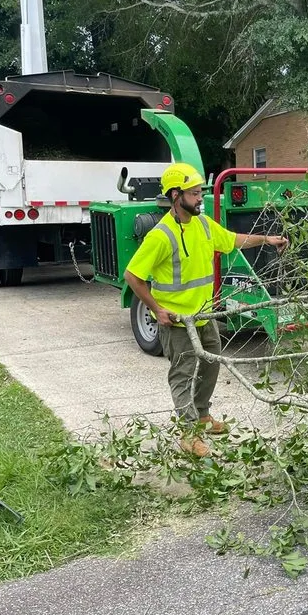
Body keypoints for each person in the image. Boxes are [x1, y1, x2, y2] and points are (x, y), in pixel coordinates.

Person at [124, 163, 289, 457]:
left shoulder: (201, 224)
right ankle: (188, 434)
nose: (201, 197)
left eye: (200, 192)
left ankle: (201, 416)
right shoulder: (161, 236)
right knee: (183, 375)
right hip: (177, 322)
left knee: (211, 365)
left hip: (204, 315)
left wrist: (267, 239)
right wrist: (156, 309)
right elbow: (133, 276)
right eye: (195, 192)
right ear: (176, 195)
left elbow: (231, 240)